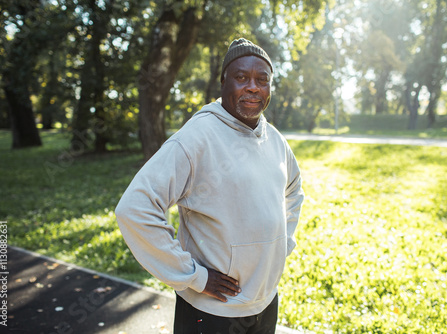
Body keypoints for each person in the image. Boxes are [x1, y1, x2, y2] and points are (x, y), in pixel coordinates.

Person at [115, 38, 305, 333]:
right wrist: (194, 276)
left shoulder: (276, 140)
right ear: (223, 82)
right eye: (241, 78)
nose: (253, 87)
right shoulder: (196, 137)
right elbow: (134, 209)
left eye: (262, 80)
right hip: (212, 311)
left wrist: (283, 243)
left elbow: (294, 190)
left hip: (265, 302)